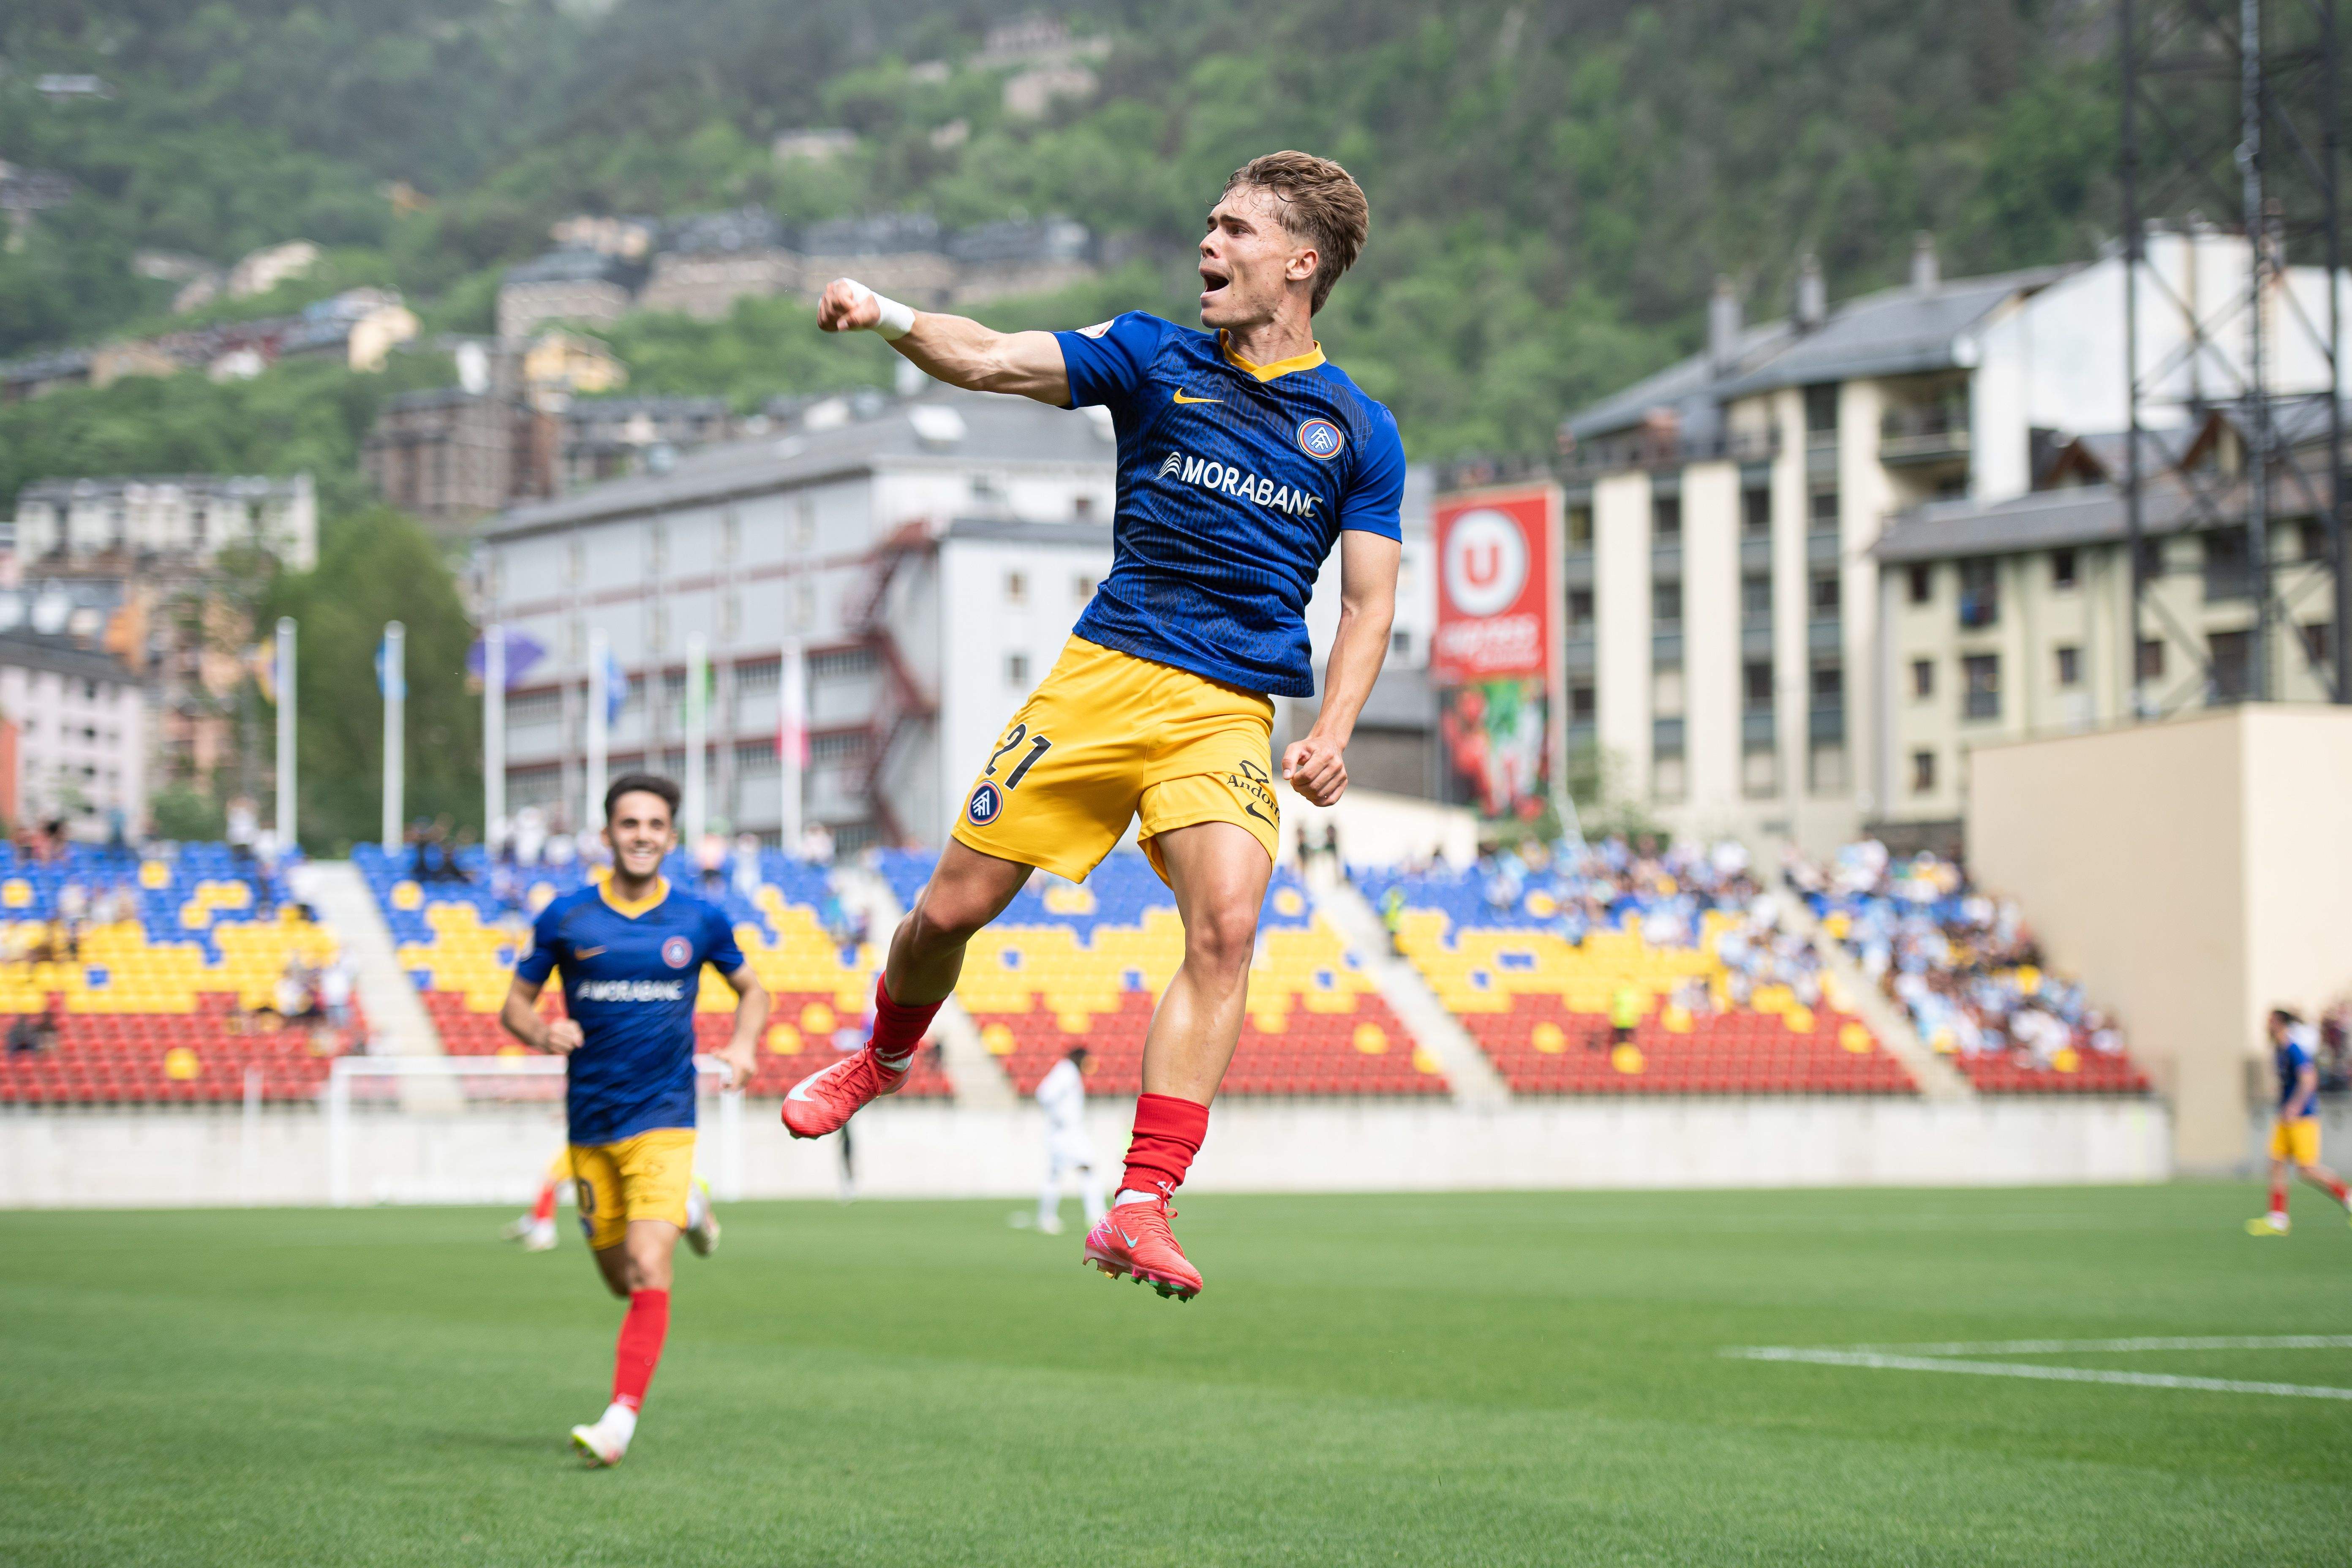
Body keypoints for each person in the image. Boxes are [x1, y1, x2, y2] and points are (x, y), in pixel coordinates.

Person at [789, 150, 1399, 1302]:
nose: (1208, 246)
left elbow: (1370, 604)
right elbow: (989, 357)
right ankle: (882, 1055)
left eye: (1236, 231)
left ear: (1302, 263)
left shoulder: (1359, 430)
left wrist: (1338, 725)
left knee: (1227, 927)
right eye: (1209, 225)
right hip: (1104, 678)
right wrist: (889, 316)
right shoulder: (1152, 354)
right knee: (948, 912)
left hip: (1227, 710)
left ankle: (1141, 1202)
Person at [498, 773, 770, 1466]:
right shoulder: (565, 917)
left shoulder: (699, 918)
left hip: (664, 1114)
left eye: (654, 824)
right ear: (607, 834)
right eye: (629, 823)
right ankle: (691, 1204)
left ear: (671, 837)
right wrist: (541, 1032)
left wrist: (741, 1044)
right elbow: (515, 1005)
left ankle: (618, 1420)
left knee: (651, 1268)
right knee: (621, 1278)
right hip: (590, 1123)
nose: (642, 835)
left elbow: (751, 990)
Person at [2248, 1008, 2352, 1237]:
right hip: (2285, 1118)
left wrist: (2295, 1105)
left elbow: (2309, 1078)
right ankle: (2278, 1220)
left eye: (2271, 1020)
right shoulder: (2279, 1050)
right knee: (2276, 1163)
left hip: (2302, 1118)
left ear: (2281, 1024)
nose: (2267, 1024)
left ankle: (2348, 1197)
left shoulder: (2294, 1049)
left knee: (2307, 1170)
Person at [1033, 1045, 1104, 1236]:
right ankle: (1093, 1215)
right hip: (1067, 1133)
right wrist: (1060, 1119)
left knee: (1070, 1172)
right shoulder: (1066, 1072)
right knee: (1081, 1170)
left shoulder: (1068, 1072)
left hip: (1066, 1132)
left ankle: (1048, 1217)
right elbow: (1044, 1094)